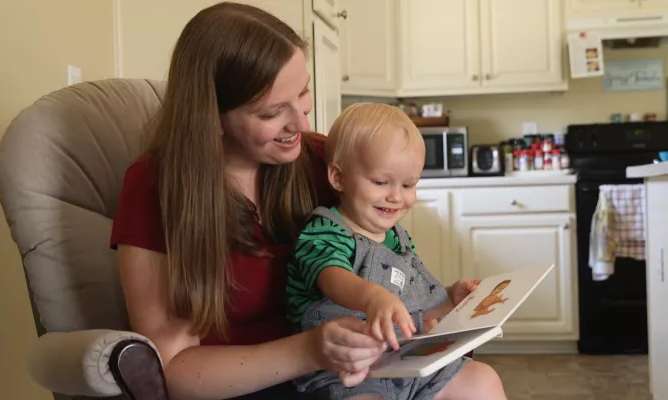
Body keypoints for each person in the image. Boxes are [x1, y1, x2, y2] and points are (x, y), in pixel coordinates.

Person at [110, 2, 504, 399]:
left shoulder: (320, 158)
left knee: (479, 382)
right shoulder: (155, 187)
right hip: (250, 385)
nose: (301, 122)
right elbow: (173, 368)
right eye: (272, 112)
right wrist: (312, 350)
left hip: (366, 364)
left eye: (303, 92)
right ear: (211, 116)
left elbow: (382, 263)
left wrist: (432, 311)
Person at [285, 103, 508, 399]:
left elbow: (412, 300)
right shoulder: (326, 229)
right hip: (343, 372)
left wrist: (448, 299)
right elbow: (330, 276)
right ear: (338, 177)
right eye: (380, 182)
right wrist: (373, 297)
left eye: (408, 185)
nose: (395, 197)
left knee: (482, 378)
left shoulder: (398, 238)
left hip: (404, 359)